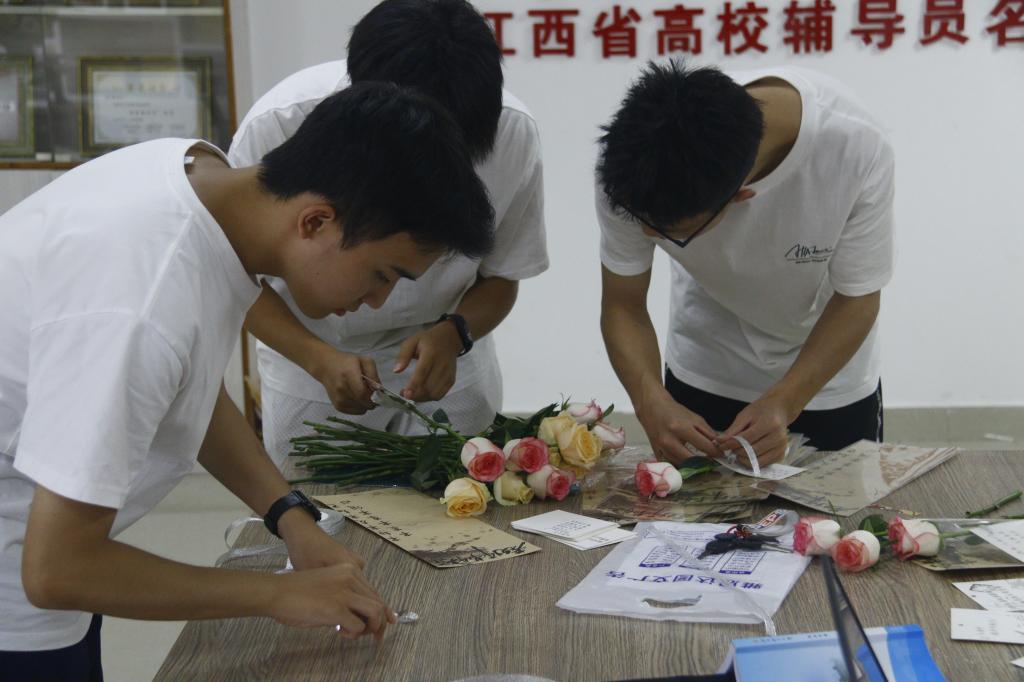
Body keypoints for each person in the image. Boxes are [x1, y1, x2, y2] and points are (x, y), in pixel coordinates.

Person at [0, 81, 493, 678]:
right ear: (316, 221)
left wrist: (289, 516)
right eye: (382, 275)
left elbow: (186, 387)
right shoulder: (142, 305)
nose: (378, 302)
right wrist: (278, 595)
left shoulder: (196, 181)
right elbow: (58, 571)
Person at [229, 0, 548, 466]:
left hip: (447, 359)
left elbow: (504, 273)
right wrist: (315, 356)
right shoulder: (281, 123)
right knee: (319, 500)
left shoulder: (510, 133)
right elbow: (234, 274)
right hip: (312, 355)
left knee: (461, 495)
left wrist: (455, 333)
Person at [597, 61, 893, 467]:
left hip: (828, 377)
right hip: (705, 367)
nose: (648, 234)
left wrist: (785, 401)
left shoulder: (854, 148)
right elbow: (623, 305)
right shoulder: (629, 168)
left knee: (842, 509)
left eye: (672, 235)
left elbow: (857, 300)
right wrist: (650, 401)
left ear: (741, 197)